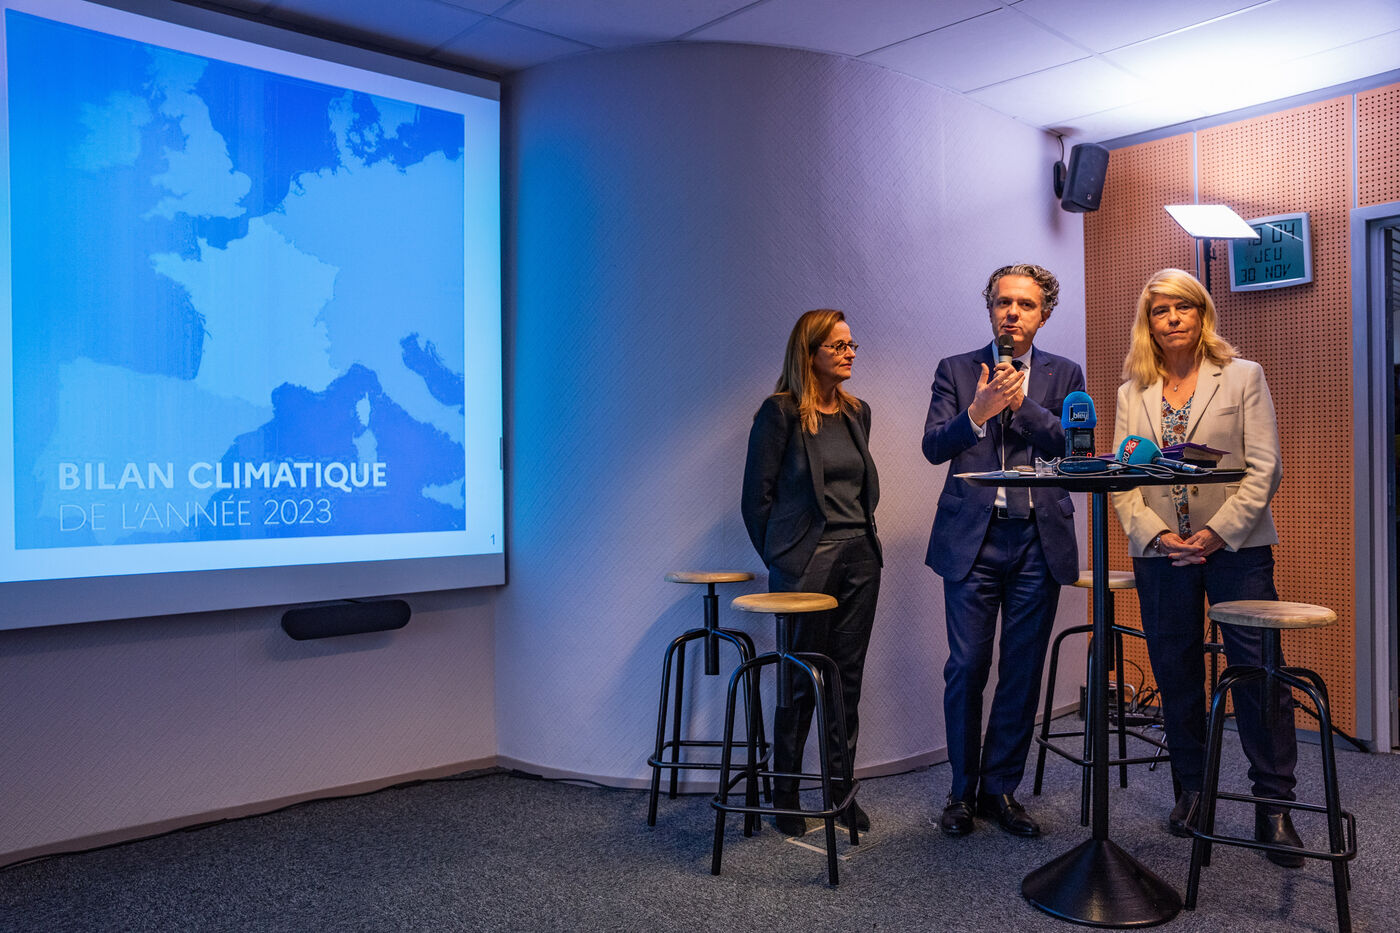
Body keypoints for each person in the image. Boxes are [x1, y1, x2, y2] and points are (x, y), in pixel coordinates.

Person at [1110, 267, 1303, 866]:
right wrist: (1158, 534)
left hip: (1237, 550)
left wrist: (1217, 533)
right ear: (1148, 323)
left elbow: (1264, 468)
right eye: (1160, 310)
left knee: (1258, 673)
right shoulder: (1132, 391)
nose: (1172, 318)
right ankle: (1192, 790)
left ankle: (1274, 805)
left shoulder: (1243, 375)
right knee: (1175, 672)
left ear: (1202, 314)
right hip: (1162, 553)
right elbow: (1123, 480)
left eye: (1183, 307)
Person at [923, 264, 1084, 838]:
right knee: (967, 666)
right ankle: (961, 792)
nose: (1013, 312)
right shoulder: (955, 370)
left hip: (1038, 540)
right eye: (1002, 302)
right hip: (974, 540)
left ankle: (1000, 789)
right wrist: (979, 411)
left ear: (1044, 314)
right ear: (990, 308)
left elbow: (1073, 447)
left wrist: (1022, 407)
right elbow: (933, 447)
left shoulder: (1065, 373)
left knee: (1022, 668)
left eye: (1026, 304)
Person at [741, 309, 882, 836]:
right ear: (809, 352)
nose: (850, 353)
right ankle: (785, 794)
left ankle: (840, 793)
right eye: (838, 345)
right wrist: (784, 559)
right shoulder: (779, 413)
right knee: (799, 679)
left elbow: (858, 489)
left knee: (846, 678)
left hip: (860, 556)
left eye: (852, 344)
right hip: (806, 561)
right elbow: (756, 500)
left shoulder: (857, 412)